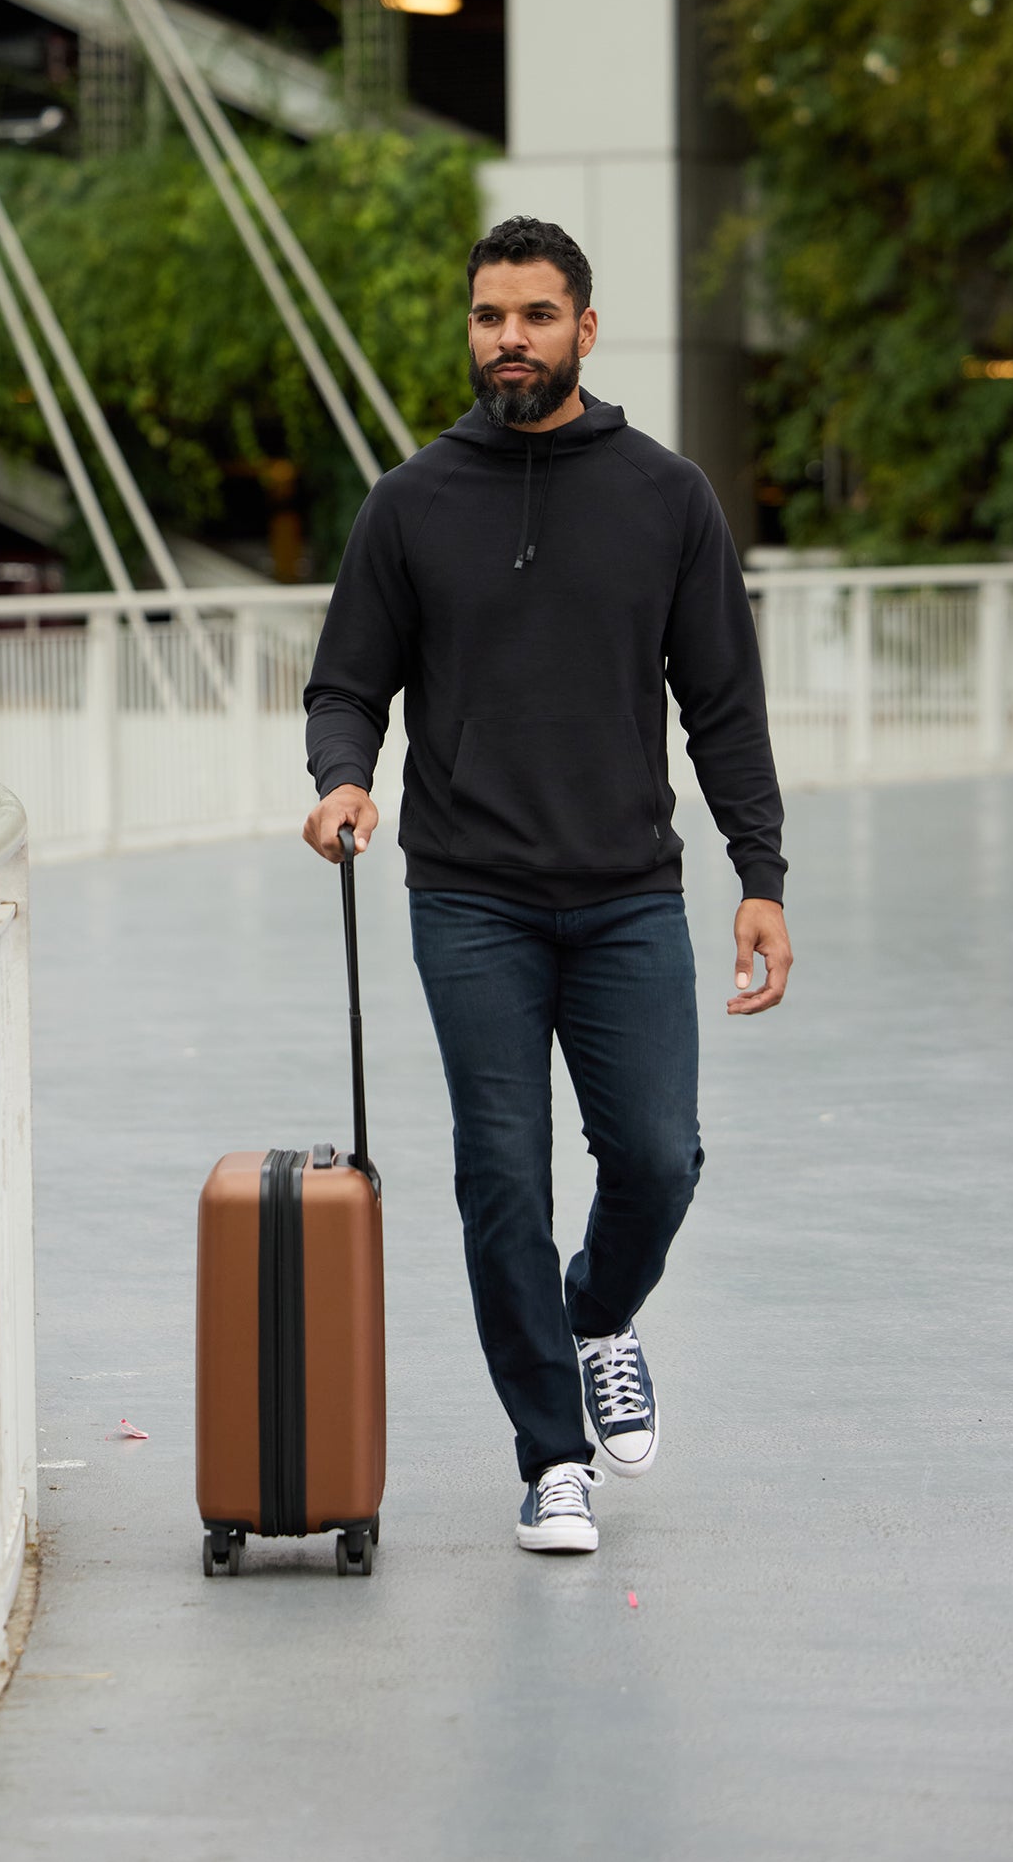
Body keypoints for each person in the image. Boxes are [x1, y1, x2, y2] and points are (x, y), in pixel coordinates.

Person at [301, 215, 792, 1555]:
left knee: (656, 1156)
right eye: (486, 315)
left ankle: (600, 1316)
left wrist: (762, 873)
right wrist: (344, 775)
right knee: (500, 1174)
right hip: (470, 898)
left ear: (585, 326)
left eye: (532, 313)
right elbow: (350, 681)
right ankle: (549, 1452)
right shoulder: (409, 505)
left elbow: (725, 710)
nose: (505, 336)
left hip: (630, 891)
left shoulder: (668, 496)